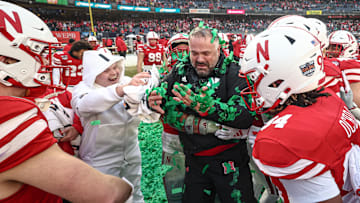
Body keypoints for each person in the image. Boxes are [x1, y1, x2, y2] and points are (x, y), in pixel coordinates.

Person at [0, 1, 132, 202]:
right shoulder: (8, 114)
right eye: (38, 51)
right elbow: (106, 193)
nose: (44, 61)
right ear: (7, 58)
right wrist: (128, 186)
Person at [240, 26, 360, 202]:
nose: (252, 86)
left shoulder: (281, 139)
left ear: (278, 78)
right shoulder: (326, 97)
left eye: (254, 78)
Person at [148, 26, 256, 203]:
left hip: (230, 162)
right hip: (194, 161)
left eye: (206, 53)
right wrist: (152, 98)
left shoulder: (235, 72)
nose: (199, 59)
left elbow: (245, 116)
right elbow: (161, 93)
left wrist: (210, 108)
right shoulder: (181, 69)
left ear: (219, 50)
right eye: (194, 53)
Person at [71, 48, 151, 203]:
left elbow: (146, 111)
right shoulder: (83, 89)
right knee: (103, 197)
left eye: (115, 67)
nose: (114, 73)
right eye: (105, 70)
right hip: (99, 158)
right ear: (92, 74)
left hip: (131, 151)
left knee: (135, 193)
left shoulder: (126, 81)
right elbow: (85, 105)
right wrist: (120, 90)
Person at [162, 33, 189, 203]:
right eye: (178, 50)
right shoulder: (161, 77)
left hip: (191, 138)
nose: (182, 54)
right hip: (176, 136)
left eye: (185, 50)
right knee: (176, 182)